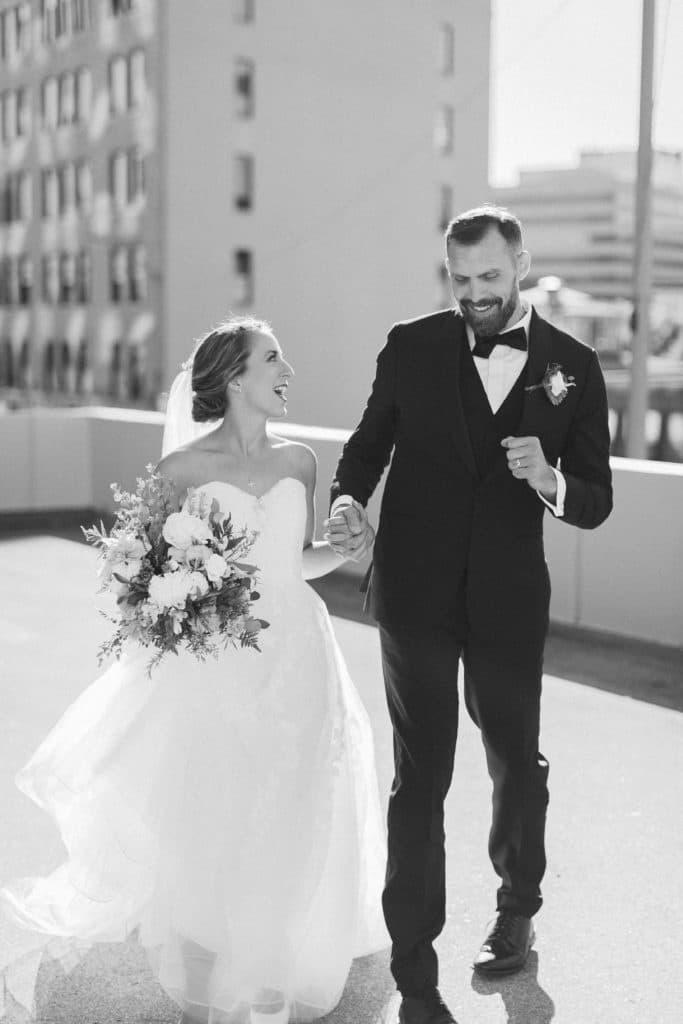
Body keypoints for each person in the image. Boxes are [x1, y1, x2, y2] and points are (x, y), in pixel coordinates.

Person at [0, 317, 387, 1024]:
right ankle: (210, 987)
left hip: (298, 657)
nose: (288, 370)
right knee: (218, 818)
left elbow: (294, 564)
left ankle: (270, 975)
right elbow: (144, 576)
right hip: (219, 664)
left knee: (295, 810)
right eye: (274, 358)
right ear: (235, 377)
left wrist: (347, 547)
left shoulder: (300, 461)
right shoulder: (179, 473)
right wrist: (172, 604)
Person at [326, 206, 613, 1024]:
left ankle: (516, 908)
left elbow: (594, 499)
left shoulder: (573, 364)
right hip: (413, 592)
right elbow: (367, 441)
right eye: (460, 279)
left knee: (513, 762)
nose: (474, 295)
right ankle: (416, 977)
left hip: (507, 598)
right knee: (420, 779)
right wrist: (348, 499)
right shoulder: (410, 343)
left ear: (520, 264)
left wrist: (549, 479)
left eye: (490, 277)